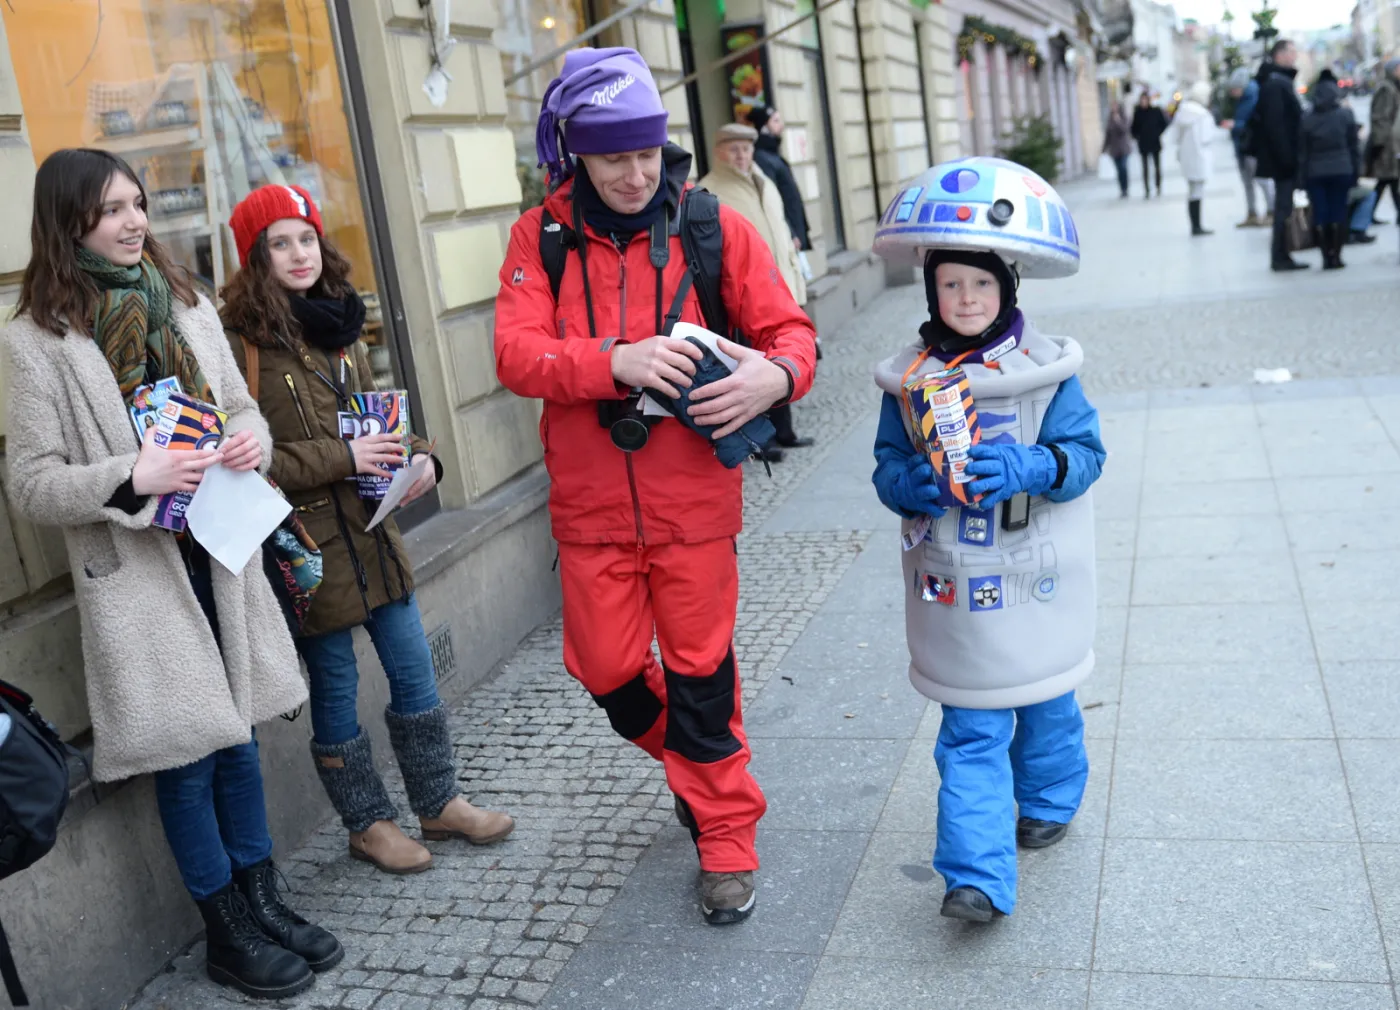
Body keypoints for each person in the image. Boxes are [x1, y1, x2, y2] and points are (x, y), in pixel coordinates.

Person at [3, 149, 340, 999]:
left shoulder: (183, 302)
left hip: (219, 548)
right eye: (109, 209)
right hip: (141, 570)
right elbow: (30, 482)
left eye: (138, 203)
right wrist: (129, 478)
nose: (132, 222)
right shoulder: (34, 341)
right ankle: (225, 929)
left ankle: (264, 899)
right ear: (67, 222)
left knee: (243, 740)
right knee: (189, 755)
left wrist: (250, 437)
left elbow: (239, 406)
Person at [494, 48, 817, 925]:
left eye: (645, 153)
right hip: (592, 512)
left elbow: (793, 333)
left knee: (702, 672)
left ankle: (725, 836)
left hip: (692, 511)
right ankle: (702, 769)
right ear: (575, 155)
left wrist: (775, 379)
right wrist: (615, 361)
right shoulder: (542, 238)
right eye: (612, 158)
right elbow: (516, 354)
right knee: (602, 669)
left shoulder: (712, 225)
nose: (634, 175)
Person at [220, 185, 514, 874]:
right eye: (280, 243)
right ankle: (367, 823)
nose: (299, 255)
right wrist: (345, 458)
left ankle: (439, 802)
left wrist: (422, 456)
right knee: (335, 685)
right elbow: (252, 459)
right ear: (255, 258)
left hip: (376, 534)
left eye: (306, 239)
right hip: (309, 550)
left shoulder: (339, 324)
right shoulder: (243, 346)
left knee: (415, 670)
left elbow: (371, 420)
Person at [868, 156, 1105, 923]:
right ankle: (975, 877)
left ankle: (1047, 797)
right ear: (932, 290)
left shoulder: (1046, 372)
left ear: (1006, 288)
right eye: (950, 285)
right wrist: (920, 484)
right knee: (971, 725)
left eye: (980, 284)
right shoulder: (910, 381)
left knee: (1045, 703)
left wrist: (1032, 465)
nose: (965, 299)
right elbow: (886, 469)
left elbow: (1087, 458)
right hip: (957, 588)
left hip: (1038, 578)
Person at [699, 123, 814, 457]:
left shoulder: (763, 181)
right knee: (749, 370)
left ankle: (785, 433)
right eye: (733, 149)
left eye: (746, 149)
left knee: (781, 358)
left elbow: (779, 229)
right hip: (741, 296)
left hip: (779, 286)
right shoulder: (710, 190)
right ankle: (760, 441)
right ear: (719, 152)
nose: (741, 155)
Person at [1252, 39, 1308, 271]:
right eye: (1292, 52)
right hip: (1282, 160)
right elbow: (1276, 127)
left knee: (1283, 207)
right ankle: (1280, 255)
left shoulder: (1276, 81)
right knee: (1283, 208)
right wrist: (1288, 160)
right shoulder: (1276, 84)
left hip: (1282, 158)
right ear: (1280, 55)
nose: (1295, 57)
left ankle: (1282, 254)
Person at [1300, 74, 1362, 269]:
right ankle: (1337, 255)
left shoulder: (1307, 118)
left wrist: (1301, 178)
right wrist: (1356, 172)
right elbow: (1354, 146)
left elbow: (1302, 152)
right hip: (1342, 169)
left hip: (1315, 172)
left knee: (1320, 212)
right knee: (1339, 210)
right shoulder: (1345, 115)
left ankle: (1326, 256)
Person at [745, 105, 811, 256]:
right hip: (786, 236)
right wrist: (790, 232)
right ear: (764, 126)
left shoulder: (773, 155)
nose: (781, 125)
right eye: (775, 121)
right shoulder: (762, 158)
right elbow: (770, 198)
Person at [1227, 66, 1274, 227]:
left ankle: (1271, 211)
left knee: (1262, 180)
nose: (1232, 93)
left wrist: (1235, 125)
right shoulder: (1243, 100)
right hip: (1243, 147)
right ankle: (1252, 213)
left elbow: (1253, 124)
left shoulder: (1254, 97)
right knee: (1248, 183)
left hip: (1253, 148)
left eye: (1234, 89)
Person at [1170, 81, 1217, 235]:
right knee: (1197, 191)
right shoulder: (1203, 115)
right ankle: (1197, 226)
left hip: (1186, 157)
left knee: (1192, 191)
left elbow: (1175, 137)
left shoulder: (1182, 112)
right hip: (1200, 157)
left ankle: (1195, 225)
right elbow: (1206, 137)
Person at [1366, 58, 1400, 224]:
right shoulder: (1386, 89)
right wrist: (1381, 144)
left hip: (1391, 143)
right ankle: (1367, 214)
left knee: (1390, 180)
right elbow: (1380, 118)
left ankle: (1368, 214)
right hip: (1387, 145)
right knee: (1388, 179)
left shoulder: (1393, 87)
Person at [1130, 91, 1168, 197]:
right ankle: (1147, 189)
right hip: (1143, 144)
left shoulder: (1155, 111)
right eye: (1142, 100)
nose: (1144, 102)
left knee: (1157, 167)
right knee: (1145, 168)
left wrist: (1157, 133)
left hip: (1155, 142)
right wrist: (1137, 136)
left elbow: (1164, 123)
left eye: (1145, 99)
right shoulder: (1137, 113)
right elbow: (1133, 128)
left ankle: (1158, 186)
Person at [1102, 103, 1133, 198]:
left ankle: (1126, 188)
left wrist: (1118, 120)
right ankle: (1122, 189)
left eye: (1115, 106)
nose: (1114, 108)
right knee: (1119, 170)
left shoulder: (1123, 117)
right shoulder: (1110, 119)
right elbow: (1108, 135)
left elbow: (1125, 130)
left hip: (1124, 148)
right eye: (1113, 106)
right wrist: (1104, 148)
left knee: (1123, 168)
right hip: (1114, 149)